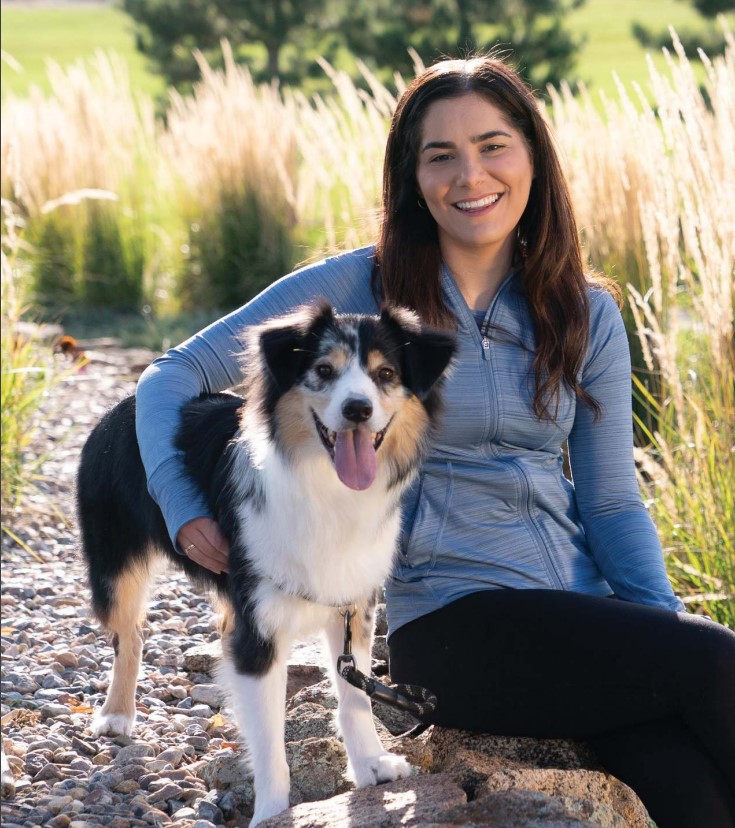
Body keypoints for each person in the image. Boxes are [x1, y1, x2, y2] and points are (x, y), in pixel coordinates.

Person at [135, 55, 735, 828]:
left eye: (492, 146)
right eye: (440, 155)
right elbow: (170, 377)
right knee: (719, 661)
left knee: (688, 779)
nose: (469, 175)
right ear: (411, 177)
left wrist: (656, 631)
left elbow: (613, 502)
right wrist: (184, 507)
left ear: (531, 159)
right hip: (451, 625)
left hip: (580, 613)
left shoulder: (583, 312)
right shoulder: (356, 290)